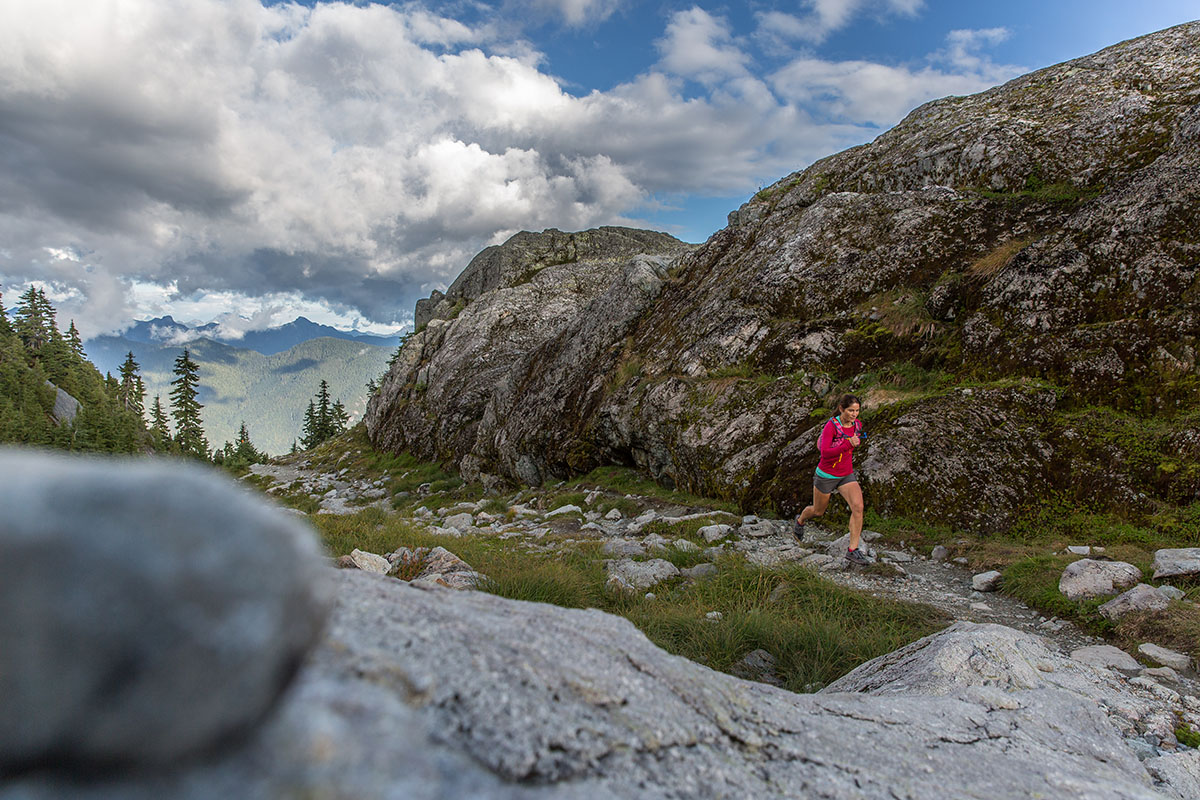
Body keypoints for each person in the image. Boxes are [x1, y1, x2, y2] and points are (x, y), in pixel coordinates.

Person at [793, 394, 869, 565]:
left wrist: (854, 442)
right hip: (826, 475)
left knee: (858, 507)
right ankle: (800, 520)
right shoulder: (831, 426)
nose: (854, 414)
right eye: (851, 410)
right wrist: (848, 444)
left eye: (857, 411)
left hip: (846, 475)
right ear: (842, 409)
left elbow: (851, 444)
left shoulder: (857, 425)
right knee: (817, 511)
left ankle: (853, 550)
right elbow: (825, 453)